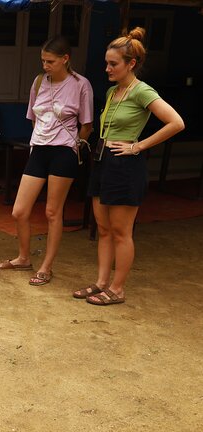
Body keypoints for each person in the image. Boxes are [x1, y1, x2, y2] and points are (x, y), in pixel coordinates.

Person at [74, 27, 184, 305]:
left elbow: (176, 123)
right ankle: (101, 283)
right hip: (103, 161)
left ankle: (118, 288)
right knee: (104, 228)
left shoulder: (142, 91)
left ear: (131, 64)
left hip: (125, 164)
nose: (107, 68)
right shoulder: (113, 91)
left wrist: (138, 146)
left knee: (122, 230)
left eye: (113, 64)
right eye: (107, 63)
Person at [0, 36, 93, 286]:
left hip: (64, 151)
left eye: (50, 61)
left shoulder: (81, 84)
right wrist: (39, 138)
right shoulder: (39, 81)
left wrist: (75, 147)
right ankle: (23, 257)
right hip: (39, 148)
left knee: (52, 212)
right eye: (43, 60)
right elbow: (33, 117)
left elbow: (87, 125)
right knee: (19, 210)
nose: (45, 65)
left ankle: (46, 266)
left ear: (65, 59)